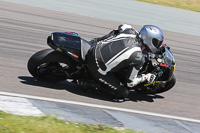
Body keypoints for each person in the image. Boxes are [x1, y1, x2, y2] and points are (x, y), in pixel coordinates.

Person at [80, 24, 164, 102]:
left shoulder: (129, 30)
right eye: (157, 42)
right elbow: (130, 83)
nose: (158, 45)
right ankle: (89, 84)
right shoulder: (137, 57)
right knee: (123, 93)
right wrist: (145, 77)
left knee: (114, 34)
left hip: (95, 47)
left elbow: (121, 27)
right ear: (150, 40)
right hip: (97, 65)